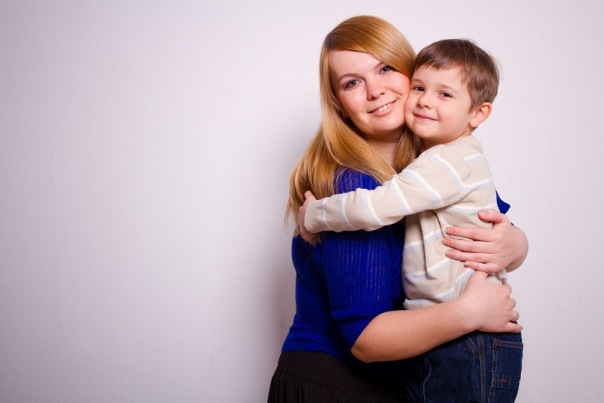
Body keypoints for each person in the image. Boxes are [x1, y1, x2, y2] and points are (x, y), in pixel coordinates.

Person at [268, 16, 527, 403]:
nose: (375, 91)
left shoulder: (432, 167)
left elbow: (492, 221)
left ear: (412, 73)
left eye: (385, 68)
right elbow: (365, 341)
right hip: (336, 386)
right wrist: (469, 313)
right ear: (339, 104)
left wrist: (515, 245)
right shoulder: (354, 185)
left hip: (404, 381)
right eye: (352, 82)